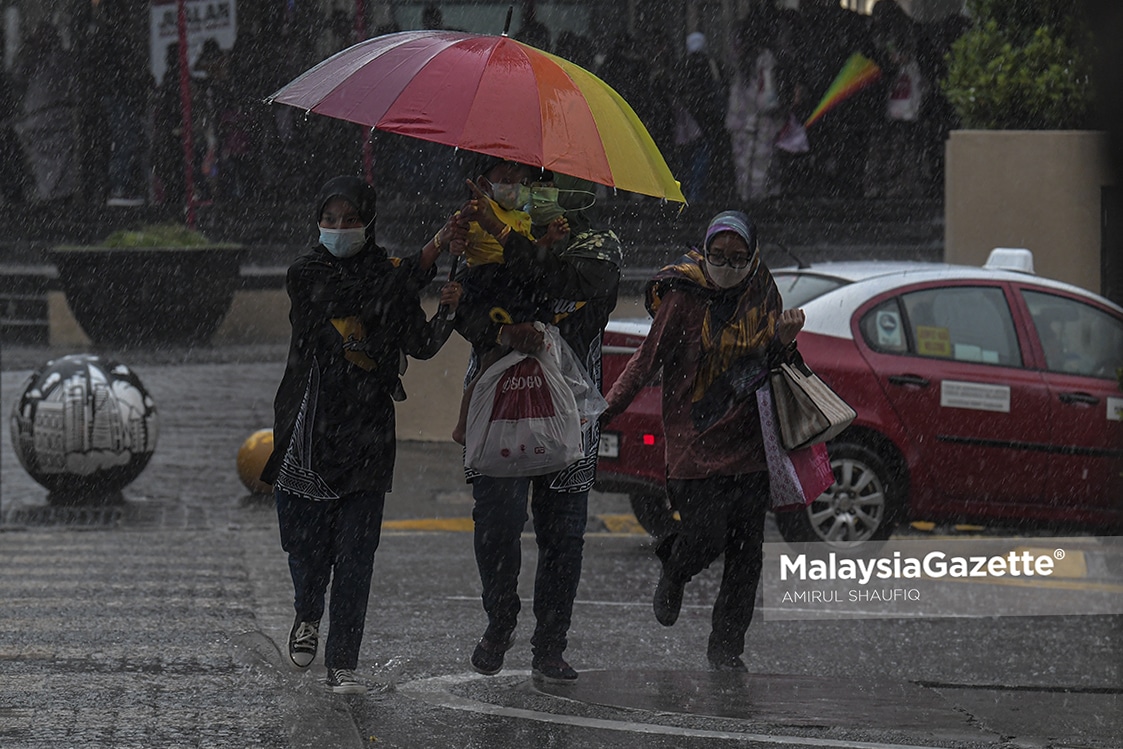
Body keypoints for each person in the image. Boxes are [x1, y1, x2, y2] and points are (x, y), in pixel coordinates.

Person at [260, 175, 464, 694]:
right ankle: (307, 610)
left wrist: (447, 308)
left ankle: (343, 661)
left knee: (357, 552)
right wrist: (427, 254)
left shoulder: (391, 274)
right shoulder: (305, 273)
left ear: (369, 222)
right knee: (306, 545)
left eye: (350, 219)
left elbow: (418, 344)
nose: (338, 228)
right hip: (311, 425)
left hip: (369, 430)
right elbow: (354, 298)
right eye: (330, 219)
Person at [599, 210, 804, 672]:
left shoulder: (762, 289)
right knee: (707, 536)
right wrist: (602, 413)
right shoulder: (685, 294)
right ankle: (675, 566)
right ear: (704, 251)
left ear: (753, 257)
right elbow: (645, 361)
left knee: (747, 555)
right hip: (695, 441)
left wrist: (785, 341)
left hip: (750, 441)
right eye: (718, 255)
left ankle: (727, 648)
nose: (727, 264)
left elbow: (772, 363)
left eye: (737, 257)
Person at [455, 172, 621, 684]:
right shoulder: (492, 233)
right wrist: (502, 328)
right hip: (501, 406)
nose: (537, 190)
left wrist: (513, 245)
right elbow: (464, 306)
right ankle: (499, 622)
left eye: (552, 182)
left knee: (564, 535)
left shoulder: (599, 245)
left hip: (569, 411)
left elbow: (559, 283)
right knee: (497, 526)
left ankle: (550, 644)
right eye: (531, 180)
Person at [450, 157, 570, 444]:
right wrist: (457, 238)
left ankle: (555, 424)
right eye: (506, 181)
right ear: (483, 184)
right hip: (487, 288)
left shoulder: (523, 219)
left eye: (523, 183)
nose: (516, 188)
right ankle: (464, 426)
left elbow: (526, 255)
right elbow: (456, 235)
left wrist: (549, 240)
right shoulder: (479, 209)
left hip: (515, 286)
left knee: (535, 355)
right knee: (491, 361)